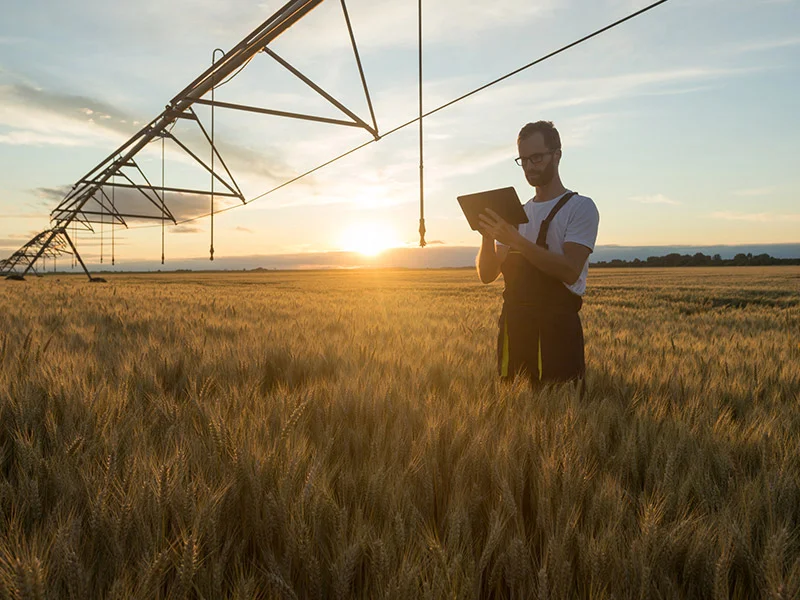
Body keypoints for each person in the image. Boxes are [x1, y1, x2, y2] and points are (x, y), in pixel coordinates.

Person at [477, 120, 599, 388]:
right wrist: (487, 234)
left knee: (560, 413)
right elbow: (487, 274)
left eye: (537, 158)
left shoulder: (580, 208)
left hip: (556, 332)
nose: (530, 166)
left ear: (557, 154)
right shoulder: (515, 213)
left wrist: (516, 241)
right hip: (514, 330)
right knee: (514, 414)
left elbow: (569, 269)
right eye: (524, 160)